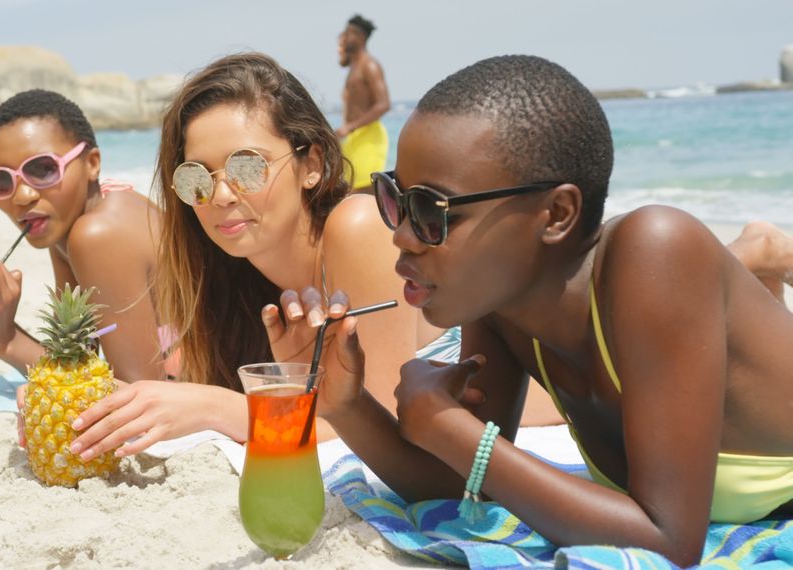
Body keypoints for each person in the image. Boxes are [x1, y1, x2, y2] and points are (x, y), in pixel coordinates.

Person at [292, 55, 793, 566]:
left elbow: (668, 541)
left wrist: (452, 430)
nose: (399, 234)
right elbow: (469, 483)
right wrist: (345, 406)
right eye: (394, 198)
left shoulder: (657, 249)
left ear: (556, 214)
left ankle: (760, 256)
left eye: (429, 211)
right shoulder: (501, 302)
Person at [64, 52, 452, 463]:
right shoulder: (241, 291)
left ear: (312, 164)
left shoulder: (358, 226)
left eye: (247, 168)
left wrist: (214, 407)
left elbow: (388, 433)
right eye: (195, 177)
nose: (222, 195)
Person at [0, 90, 169, 446]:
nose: (22, 196)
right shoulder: (73, 223)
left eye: (43, 170)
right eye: (2, 181)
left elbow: (140, 400)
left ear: (92, 162)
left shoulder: (97, 234)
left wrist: (9, 341)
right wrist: (1, 334)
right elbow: (80, 365)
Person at [336, 14, 389, 192]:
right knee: (348, 189)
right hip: (354, 137)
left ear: (361, 37)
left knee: (366, 192)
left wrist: (350, 127)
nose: (345, 35)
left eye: (349, 32)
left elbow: (383, 104)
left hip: (368, 137)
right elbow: (342, 61)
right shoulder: (354, 66)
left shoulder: (370, 65)